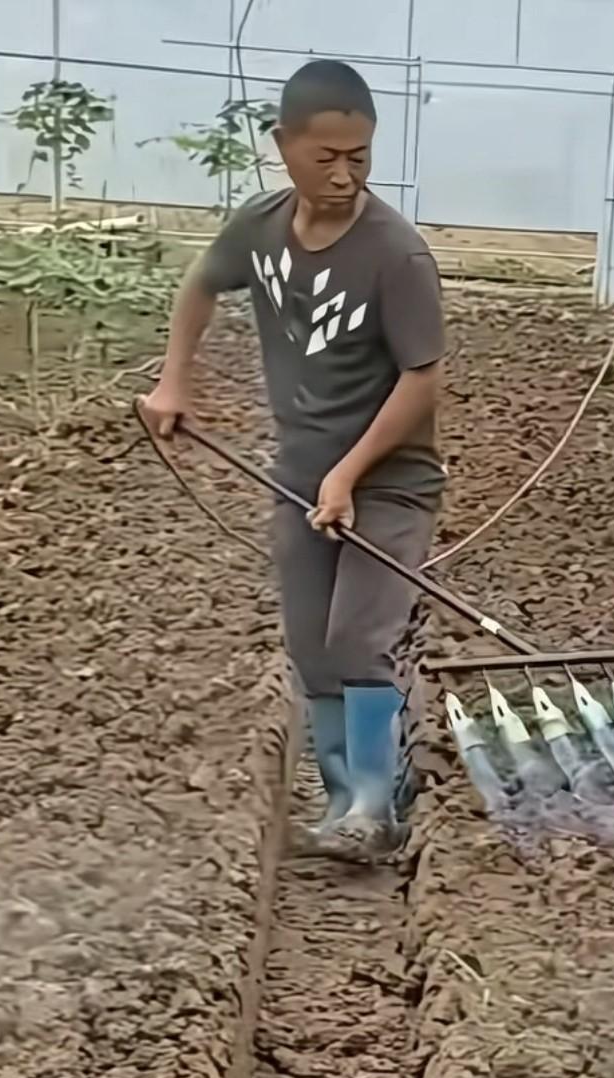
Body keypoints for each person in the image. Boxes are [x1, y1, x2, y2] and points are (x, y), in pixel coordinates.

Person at [141, 59, 446, 863]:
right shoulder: (261, 227)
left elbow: (422, 381)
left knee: (359, 639)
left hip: (390, 483)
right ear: (283, 146)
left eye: (360, 157)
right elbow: (200, 284)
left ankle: (374, 806)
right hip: (298, 477)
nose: (345, 175)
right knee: (312, 646)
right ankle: (345, 799)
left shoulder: (396, 254)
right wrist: (174, 380)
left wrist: (349, 473)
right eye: (327, 157)